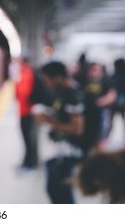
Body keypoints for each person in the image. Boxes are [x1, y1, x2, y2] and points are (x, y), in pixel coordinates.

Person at [33, 61, 84, 203]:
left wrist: (48, 121)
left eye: (47, 78)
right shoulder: (60, 92)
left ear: (57, 77)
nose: (45, 82)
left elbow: (77, 129)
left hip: (67, 153)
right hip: (58, 150)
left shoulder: (73, 95)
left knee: (61, 192)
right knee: (55, 191)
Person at [84, 63, 116, 150]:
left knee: (100, 135)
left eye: (97, 69)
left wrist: (101, 102)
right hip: (87, 112)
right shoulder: (85, 80)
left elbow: (112, 95)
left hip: (101, 112)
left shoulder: (105, 80)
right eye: (93, 69)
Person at [15, 57, 38, 169]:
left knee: (28, 138)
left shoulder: (26, 74)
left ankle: (30, 162)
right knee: (27, 138)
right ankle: (28, 161)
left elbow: (24, 92)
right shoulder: (24, 73)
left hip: (26, 111)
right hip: (25, 110)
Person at [107, 58, 125, 135]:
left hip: (114, 102)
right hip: (120, 102)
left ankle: (106, 137)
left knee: (110, 123)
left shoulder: (113, 76)